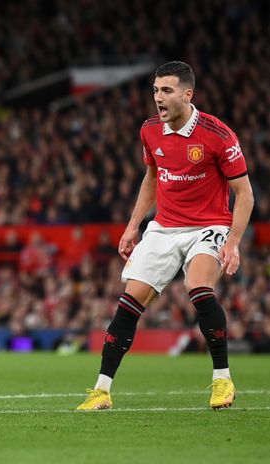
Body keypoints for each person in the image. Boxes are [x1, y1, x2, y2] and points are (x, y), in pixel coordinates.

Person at [76, 62, 253, 411]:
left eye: (167, 90)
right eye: (155, 90)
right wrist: (133, 225)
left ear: (188, 95)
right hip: (164, 226)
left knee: (199, 288)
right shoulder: (150, 131)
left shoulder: (218, 135)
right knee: (129, 304)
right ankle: (101, 391)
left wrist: (233, 241)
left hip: (209, 226)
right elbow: (151, 177)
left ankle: (222, 380)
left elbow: (244, 194)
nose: (158, 97)